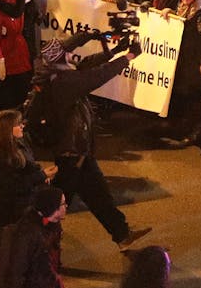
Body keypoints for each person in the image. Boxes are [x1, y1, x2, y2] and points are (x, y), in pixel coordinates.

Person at [32, 30, 152, 249]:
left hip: (78, 152)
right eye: (66, 52)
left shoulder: (58, 72)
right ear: (60, 58)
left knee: (99, 197)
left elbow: (87, 64)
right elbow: (96, 75)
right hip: (70, 154)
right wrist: (128, 57)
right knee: (56, 205)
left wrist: (113, 49)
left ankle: (122, 235)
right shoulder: (63, 81)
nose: (71, 54)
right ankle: (39, 247)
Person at [0, 185, 66, 288]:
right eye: (63, 203)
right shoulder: (27, 235)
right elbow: (15, 274)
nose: (66, 206)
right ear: (52, 208)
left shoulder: (53, 226)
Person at [0, 109, 49, 229]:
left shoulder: (18, 143)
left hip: (23, 203)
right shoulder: (0, 155)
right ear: (7, 129)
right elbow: (13, 185)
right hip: (10, 210)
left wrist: (41, 175)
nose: (22, 126)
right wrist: (41, 175)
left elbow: (29, 165)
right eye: (18, 124)